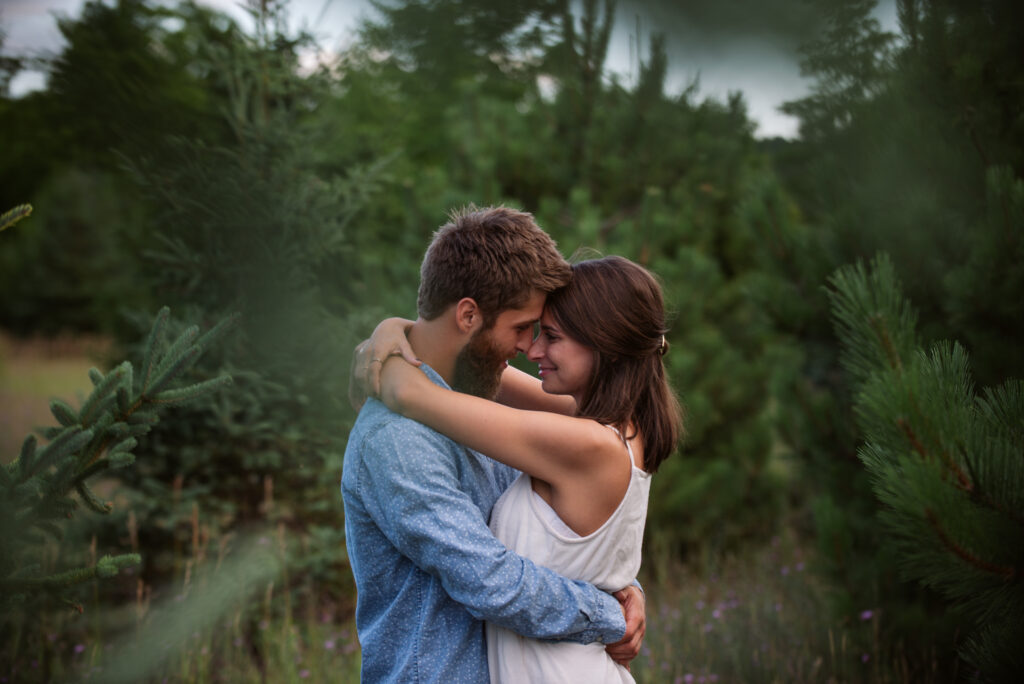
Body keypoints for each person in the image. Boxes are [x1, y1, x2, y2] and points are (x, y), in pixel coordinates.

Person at [341, 206, 647, 683]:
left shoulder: (481, 403)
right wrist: (605, 611)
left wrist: (622, 583)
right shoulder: (398, 439)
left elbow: (553, 529)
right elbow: (491, 581)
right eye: (523, 327)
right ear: (468, 315)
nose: (530, 346)